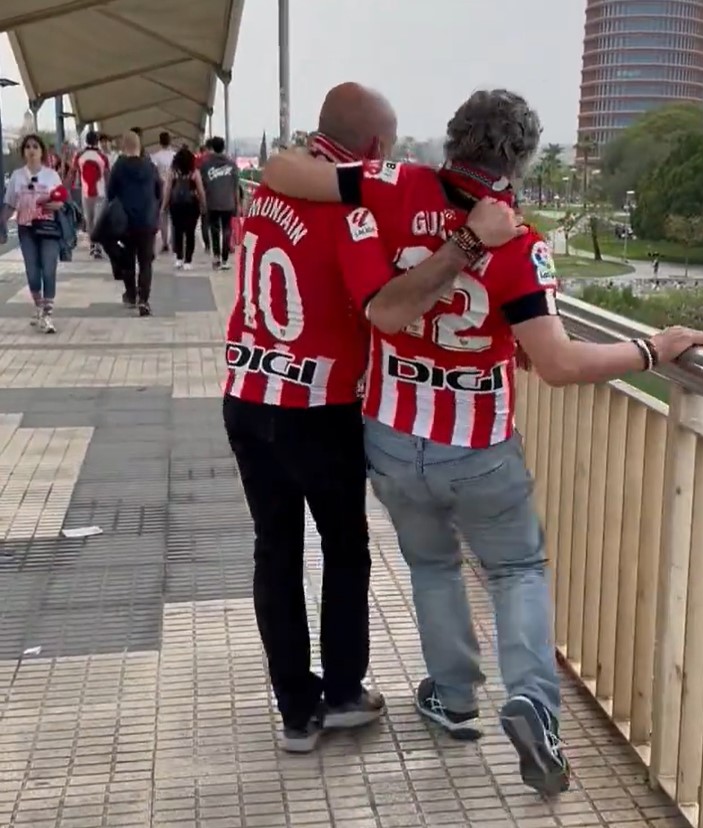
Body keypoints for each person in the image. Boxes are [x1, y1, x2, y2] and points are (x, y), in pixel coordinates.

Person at [263, 87, 703, 796]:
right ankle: (532, 701)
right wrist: (652, 348)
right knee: (516, 572)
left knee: (434, 567)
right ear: (522, 158)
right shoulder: (521, 245)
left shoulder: (392, 183)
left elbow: (284, 173)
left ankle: (454, 697)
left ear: (452, 137)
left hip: (388, 432)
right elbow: (560, 363)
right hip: (478, 446)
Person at [223, 82, 523, 756]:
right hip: (318, 406)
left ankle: (295, 713)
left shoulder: (263, 192)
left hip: (245, 396)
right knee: (343, 547)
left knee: (274, 548)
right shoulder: (354, 210)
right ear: (378, 149)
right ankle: (344, 695)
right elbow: (382, 306)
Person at [1, 134, 68, 333]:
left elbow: (61, 201)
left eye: (35, 147)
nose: (31, 150)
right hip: (26, 228)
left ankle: (47, 313)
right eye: (28, 147)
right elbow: (10, 204)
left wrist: (47, 203)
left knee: (48, 269)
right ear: (23, 152)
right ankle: (38, 306)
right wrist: (2, 224)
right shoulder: (16, 176)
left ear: (41, 152)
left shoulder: (51, 176)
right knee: (32, 272)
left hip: (48, 229)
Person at [107, 130, 161, 316]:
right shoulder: (150, 167)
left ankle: (131, 295)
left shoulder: (118, 167)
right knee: (145, 262)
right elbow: (158, 192)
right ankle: (144, 300)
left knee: (128, 260)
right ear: (140, 146)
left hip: (126, 222)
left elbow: (110, 194)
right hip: (147, 221)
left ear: (124, 146)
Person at [162, 146, 206, 269]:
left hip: (176, 205)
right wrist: (203, 205)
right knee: (190, 233)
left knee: (177, 231)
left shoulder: (172, 172)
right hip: (192, 205)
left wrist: (164, 206)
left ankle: (179, 258)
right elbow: (201, 190)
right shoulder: (194, 172)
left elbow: (167, 190)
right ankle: (188, 261)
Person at [199, 136, 239, 270]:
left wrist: (203, 202)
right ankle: (225, 259)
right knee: (227, 229)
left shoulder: (205, 164)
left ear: (211, 148)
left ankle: (216, 257)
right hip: (229, 202)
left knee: (214, 230)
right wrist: (237, 204)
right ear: (223, 147)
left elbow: (202, 184)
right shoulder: (232, 164)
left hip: (212, 202)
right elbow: (236, 186)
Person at [69, 130, 110, 259]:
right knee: (98, 220)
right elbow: (107, 175)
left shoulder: (79, 155)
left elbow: (73, 172)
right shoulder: (103, 157)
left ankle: (93, 245)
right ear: (97, 141)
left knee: (89, 219)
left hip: (86, 192)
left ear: (86, 141)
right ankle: (97, 246)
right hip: (101, 192)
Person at [151, 131, 176, 254]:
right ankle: (173, 241)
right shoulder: (175, 156)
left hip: (161, 188)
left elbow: (154, 174)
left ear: (160, 142)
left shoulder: (155, 157)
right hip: (174, 189)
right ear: (170, 141)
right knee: (173, 217)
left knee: (163, 216)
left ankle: (165, 242)